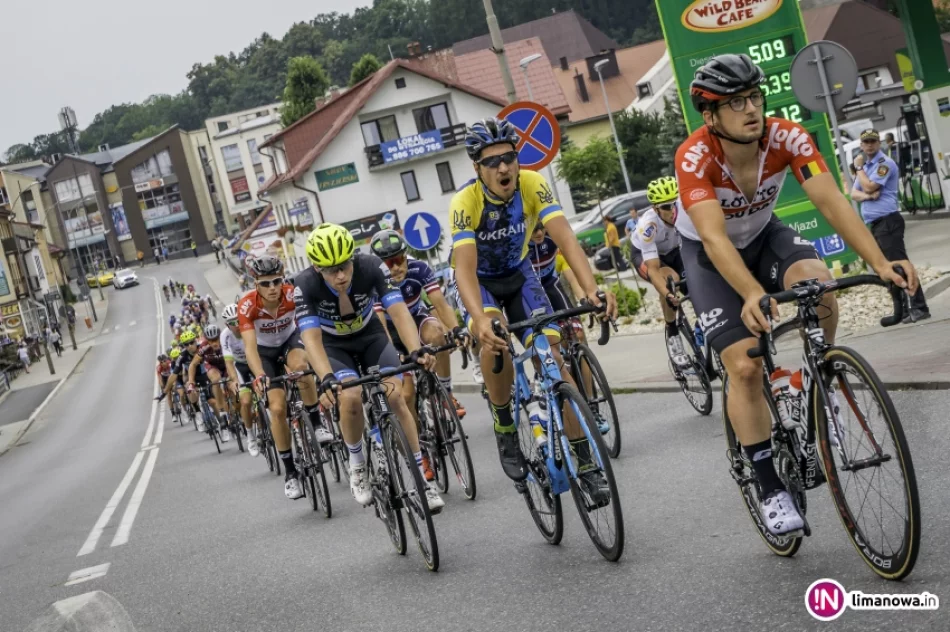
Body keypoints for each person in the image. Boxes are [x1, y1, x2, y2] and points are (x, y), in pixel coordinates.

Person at [677, 53, 918, 536]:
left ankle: (819, 377)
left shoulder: (787, 137)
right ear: (710, 116)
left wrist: (879, 262)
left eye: (755, 96)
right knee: (745, 365)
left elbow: (832, 202)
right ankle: (769, 488)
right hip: (709, 255)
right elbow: (715, 238)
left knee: (818, 283)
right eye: (735, 102)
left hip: (764, 235)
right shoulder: (695, 156)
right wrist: (750, 292)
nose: (751, 108)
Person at [450, 117, 617, 499]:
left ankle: (585, 462)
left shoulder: (532, 183)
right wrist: (479, 320)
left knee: (554, 359)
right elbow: (464, 270)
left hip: (519, 275)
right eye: (492, 162)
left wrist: (592, 291)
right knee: (495, 343)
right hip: (481, 282)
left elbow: (566, 238)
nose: (503, 168)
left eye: (509, 158)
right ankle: (505, 424)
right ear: (477, 168)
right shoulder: (465, 202)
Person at [294, 224, 444, 512]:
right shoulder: (305, 285)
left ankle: (422, 480)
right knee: (350, 397)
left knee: (396, 397)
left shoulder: (372, 266)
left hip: (370, 335)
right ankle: (358, 465)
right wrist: (326, 377)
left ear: (353, 258)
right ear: (316, 268)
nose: (340, 275)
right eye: (331, 270)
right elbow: (311, 338)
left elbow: (398, 312)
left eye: (344, 266)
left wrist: (416, 349)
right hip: (333, 346)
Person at [369, 230, 467, 460]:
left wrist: (456, 329)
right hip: (391, 330)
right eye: (388, 263)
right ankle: (419, 449)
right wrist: (391, 353)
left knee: (437, 336)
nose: (395, 268)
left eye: (398, 260)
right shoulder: (374, 281)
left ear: (406, 256)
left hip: (415, 317)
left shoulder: (419, 268)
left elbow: (440, 303)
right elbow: (381, 324)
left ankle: (445, 392)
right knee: (407, 396)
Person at [238, 255, 327, 501]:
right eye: (265, 283)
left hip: (289, 341)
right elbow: (250, 348)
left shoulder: (291, 295)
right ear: (255, 284)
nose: (272, 288)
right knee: (277, 409)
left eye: (277, 281)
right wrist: (259, 375)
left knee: (300, 367)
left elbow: (309, 325)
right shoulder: (247, 305)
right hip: (264, 353)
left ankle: (316, 423)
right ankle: (290, 474)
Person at [851, 128, 930, 323]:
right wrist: (869, 196)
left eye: (873, 141)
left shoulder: (884, 163)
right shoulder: (867, 168)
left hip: (888, 220)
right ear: (861, 145)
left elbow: (869, 186)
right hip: (876, 224)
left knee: (900, 265)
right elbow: (854, 194)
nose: (870, 145)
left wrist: (859, 170)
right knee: (889, 268)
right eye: (866, 142)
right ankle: (902, 311)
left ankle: (919, 307)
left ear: (879, 144)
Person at [631, 176, 690, 369]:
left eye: (675, 204)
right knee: (670, 280)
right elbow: (654, 270)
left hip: (674, 250)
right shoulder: (649, 226)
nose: (673, 210)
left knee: (694, 283)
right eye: (666, 207)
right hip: (646, 255)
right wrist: (667, 294)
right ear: (655, 209)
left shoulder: (686, 212)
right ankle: (672, 333)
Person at [220, 303, 257, 456]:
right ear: (227, 324)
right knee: (245, 401)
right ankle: (251, 436)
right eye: (232, 322)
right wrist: (234, 380)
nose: (237, 325)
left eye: (239, 320)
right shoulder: (225, 336)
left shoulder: (250, 326)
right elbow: (229, 362)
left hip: (255, 361)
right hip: (240, 366)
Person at [187, 323, 230, 441]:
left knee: (233, 388)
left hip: (227, 365)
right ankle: (222, 414)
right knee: (215, 380)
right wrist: (191, 382)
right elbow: (193, 365)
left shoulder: (226, 341)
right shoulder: (204, 347)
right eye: (211, 340)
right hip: (213, 367)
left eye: (216, 339)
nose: (214, 343)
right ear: (207, 340)